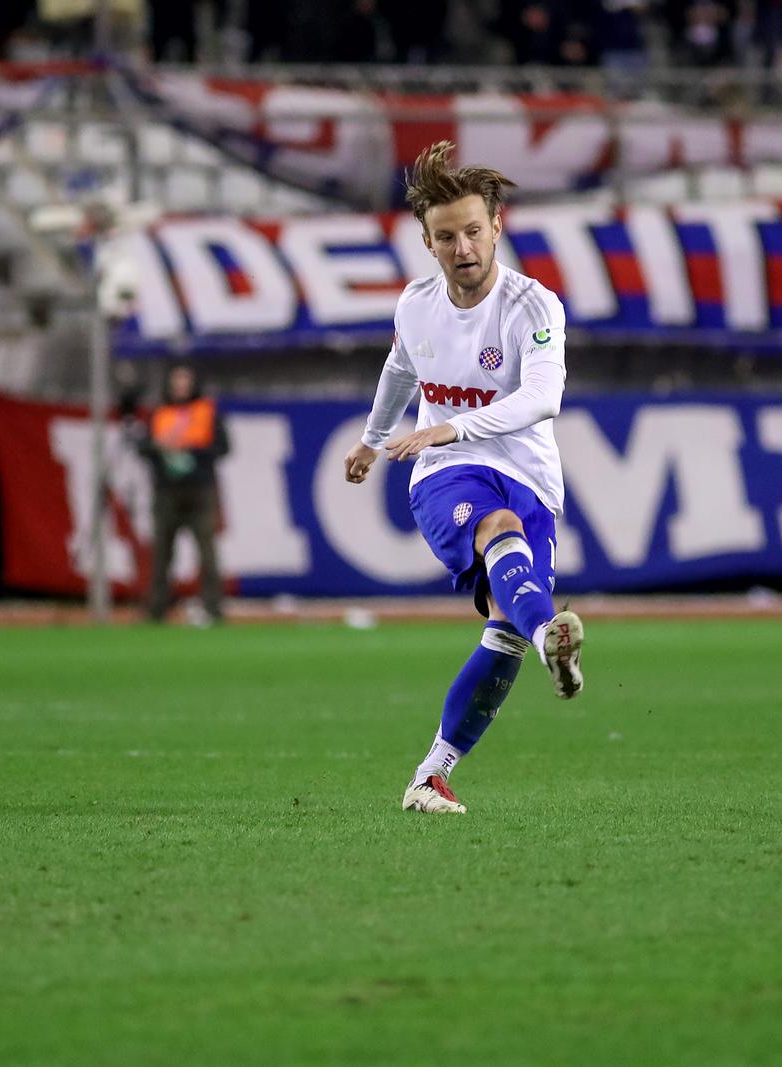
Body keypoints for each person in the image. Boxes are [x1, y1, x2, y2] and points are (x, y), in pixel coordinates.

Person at [343, 140, 584, 817]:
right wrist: (372, 439)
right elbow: (400, 369)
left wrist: (449, 424)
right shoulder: (416, 306)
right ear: (427, 241)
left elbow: (542, 397)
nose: (462, 247)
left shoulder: (533, 307)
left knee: (503, 628)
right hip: (446, 472)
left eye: (473, 230)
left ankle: (433, 774)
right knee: (495, 530)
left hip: (527, 473)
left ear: (496, 226)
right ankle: (552, 642)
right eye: (446, 236)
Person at [130, 362, 229, 623]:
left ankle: (213, 607)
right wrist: (159, 447)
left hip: (199, 491)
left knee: (207, 552)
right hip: (166, 493)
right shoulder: (159, 413)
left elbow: (223, 447)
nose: (181, 386)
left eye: (186, 380)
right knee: (161, 554)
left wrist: (191, 448)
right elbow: (143, 448)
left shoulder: (206, 411)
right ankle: (157, 608)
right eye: (177, 380)